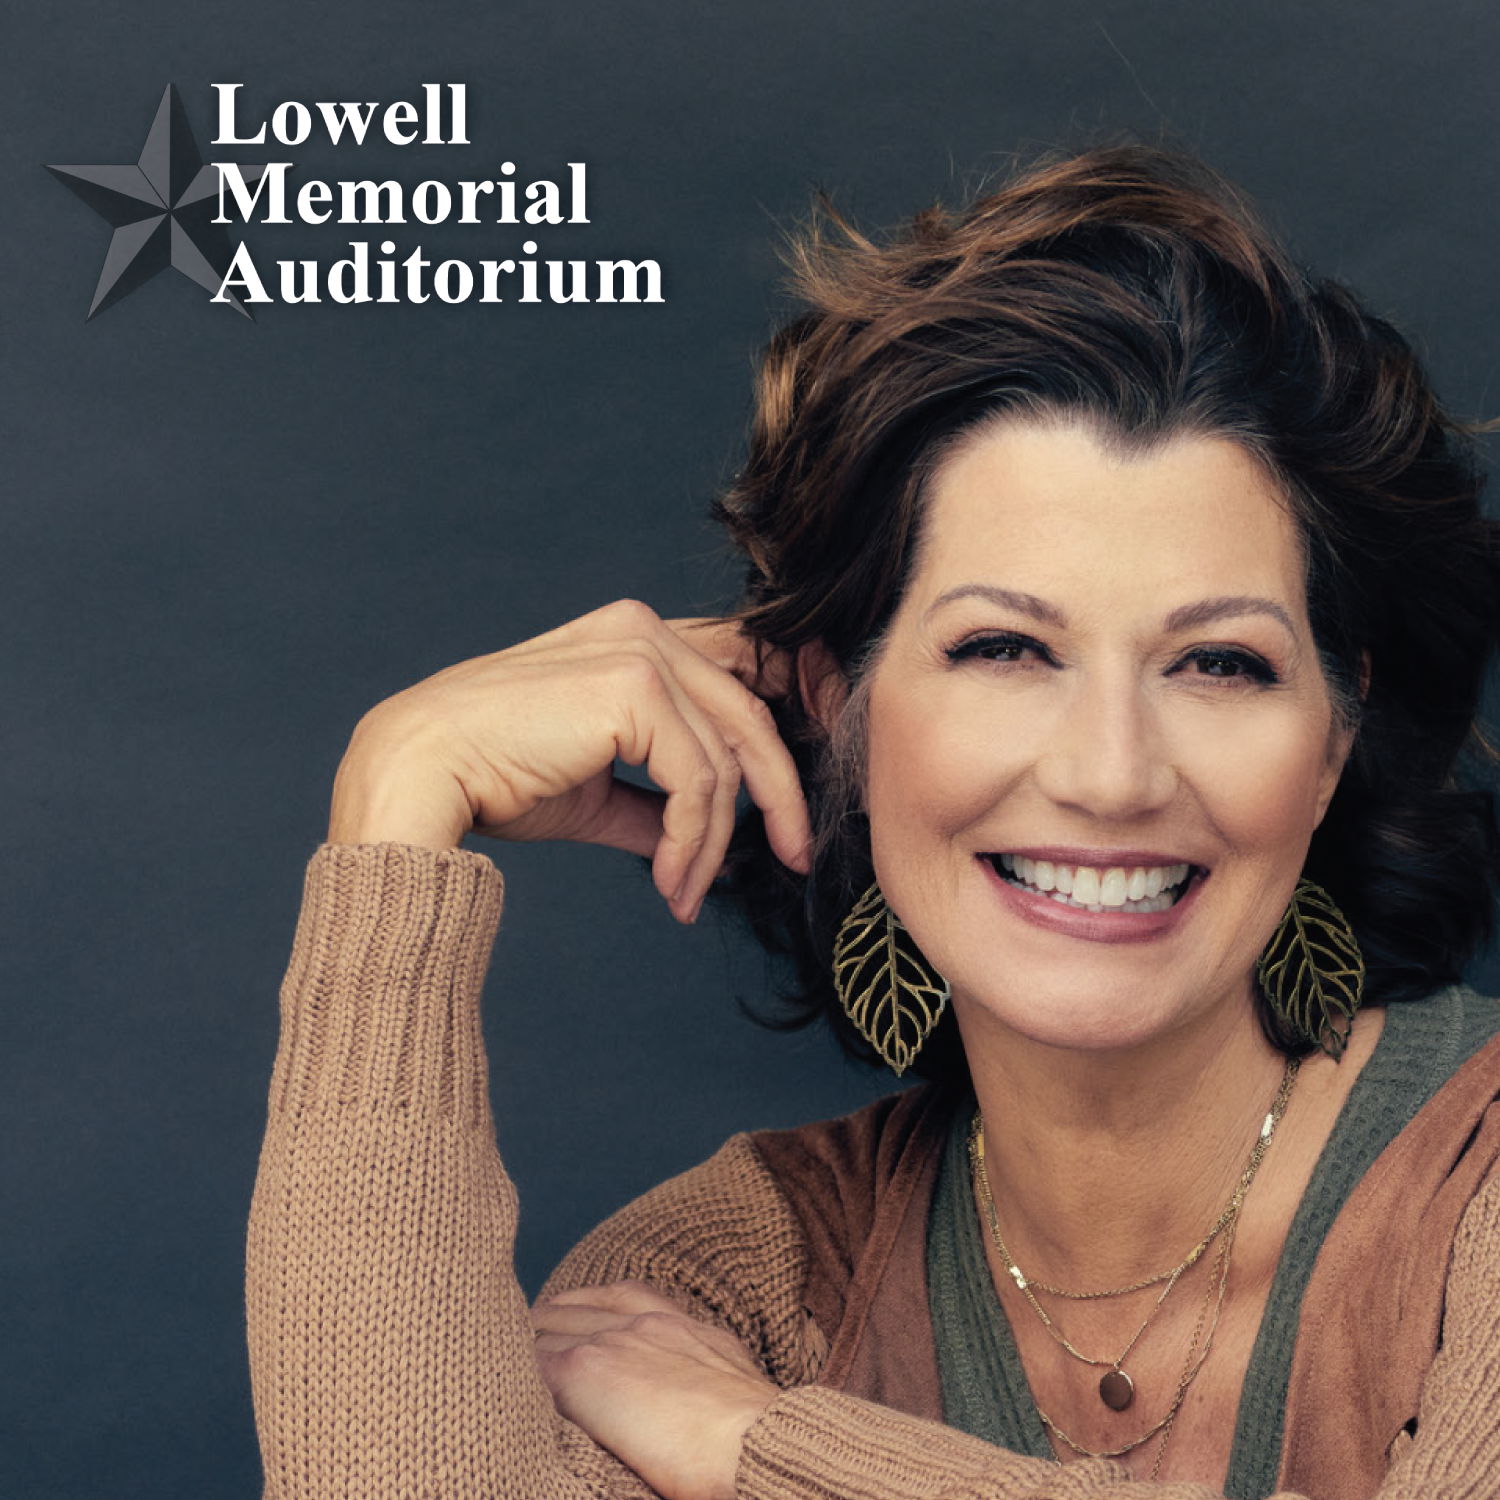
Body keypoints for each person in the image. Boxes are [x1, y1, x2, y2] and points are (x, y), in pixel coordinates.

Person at [245, 143, 1500, 1500]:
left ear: (1335, 740)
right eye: (1006, 649)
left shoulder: (1471, 1186)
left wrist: (753, 1448)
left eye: (1221, 664)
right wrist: (396, 806)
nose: (1113, 774)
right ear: (840, 704)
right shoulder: (729, 1283)